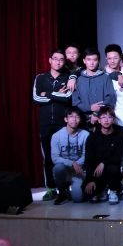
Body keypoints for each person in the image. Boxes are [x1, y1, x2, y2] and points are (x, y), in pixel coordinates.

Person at [34, 49, 74, 200]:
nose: (58, 62)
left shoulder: (68, 78)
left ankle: (66, 188)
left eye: (61, 59)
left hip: (62, 122)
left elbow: (67, 98)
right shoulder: (40, 78)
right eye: (55, 59)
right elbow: (36, 98)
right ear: (50, 60)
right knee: (48, 156)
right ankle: (51, 188)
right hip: (45, 123)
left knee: (65, 155)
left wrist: (48, 93)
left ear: (64, 62)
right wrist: (57, 94)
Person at [82, 107, 123, 205]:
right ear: (99, 120)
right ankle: (102, 189)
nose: (106, 120)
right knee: (88, 194)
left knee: (112, 169)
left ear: (113, 119)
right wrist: (90, 180)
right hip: (97, 172)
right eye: (103, 117)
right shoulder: (92, 138)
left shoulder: (119, 135)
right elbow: (89, 160)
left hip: (113, 169)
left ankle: (114, 191)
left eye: (109, 117)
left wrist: (104, 163)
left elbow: (119, 156)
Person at [51, 107, 90, 205]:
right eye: (71, 116)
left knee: (77, 199)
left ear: (80, 120)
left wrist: (78, 165)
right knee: (58, 168)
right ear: (66, 119)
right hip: (65, 168)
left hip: (79, 169)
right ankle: (62, 193)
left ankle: (77, 189)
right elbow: (55, 158)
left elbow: (86, 154)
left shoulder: (85, 135)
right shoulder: (56, 136)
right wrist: (72, 163)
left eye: (77, 117)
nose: (74, 119)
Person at [72, 47, 115, 130]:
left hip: (101, 120)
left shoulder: (105, 78)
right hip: (82, 121)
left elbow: (110, 98)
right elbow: (75, 102)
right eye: (89, 59)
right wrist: (89, 108)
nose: (91, 63)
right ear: (84, 61)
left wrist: (96, 113)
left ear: (99, 61)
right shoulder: (79, 80)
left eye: (94, 60)